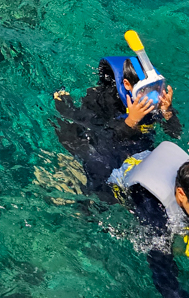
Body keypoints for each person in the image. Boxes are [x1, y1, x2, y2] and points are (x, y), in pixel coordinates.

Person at [54, 40, 181, 189]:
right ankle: (62, 100)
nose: (153, 95)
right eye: (146, 90)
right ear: (127, 85)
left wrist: (168, 112)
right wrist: (130, 121)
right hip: (102, 136)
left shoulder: (157, 103)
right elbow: (102, 142)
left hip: (137, 152)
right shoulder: (104, 101)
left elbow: (175, 134)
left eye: (157, 87)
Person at [107, 142, 189, 298]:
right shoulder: (156, 219)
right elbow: (166, 284)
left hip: (140, 151)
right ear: (181, 194)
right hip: (109, 170)